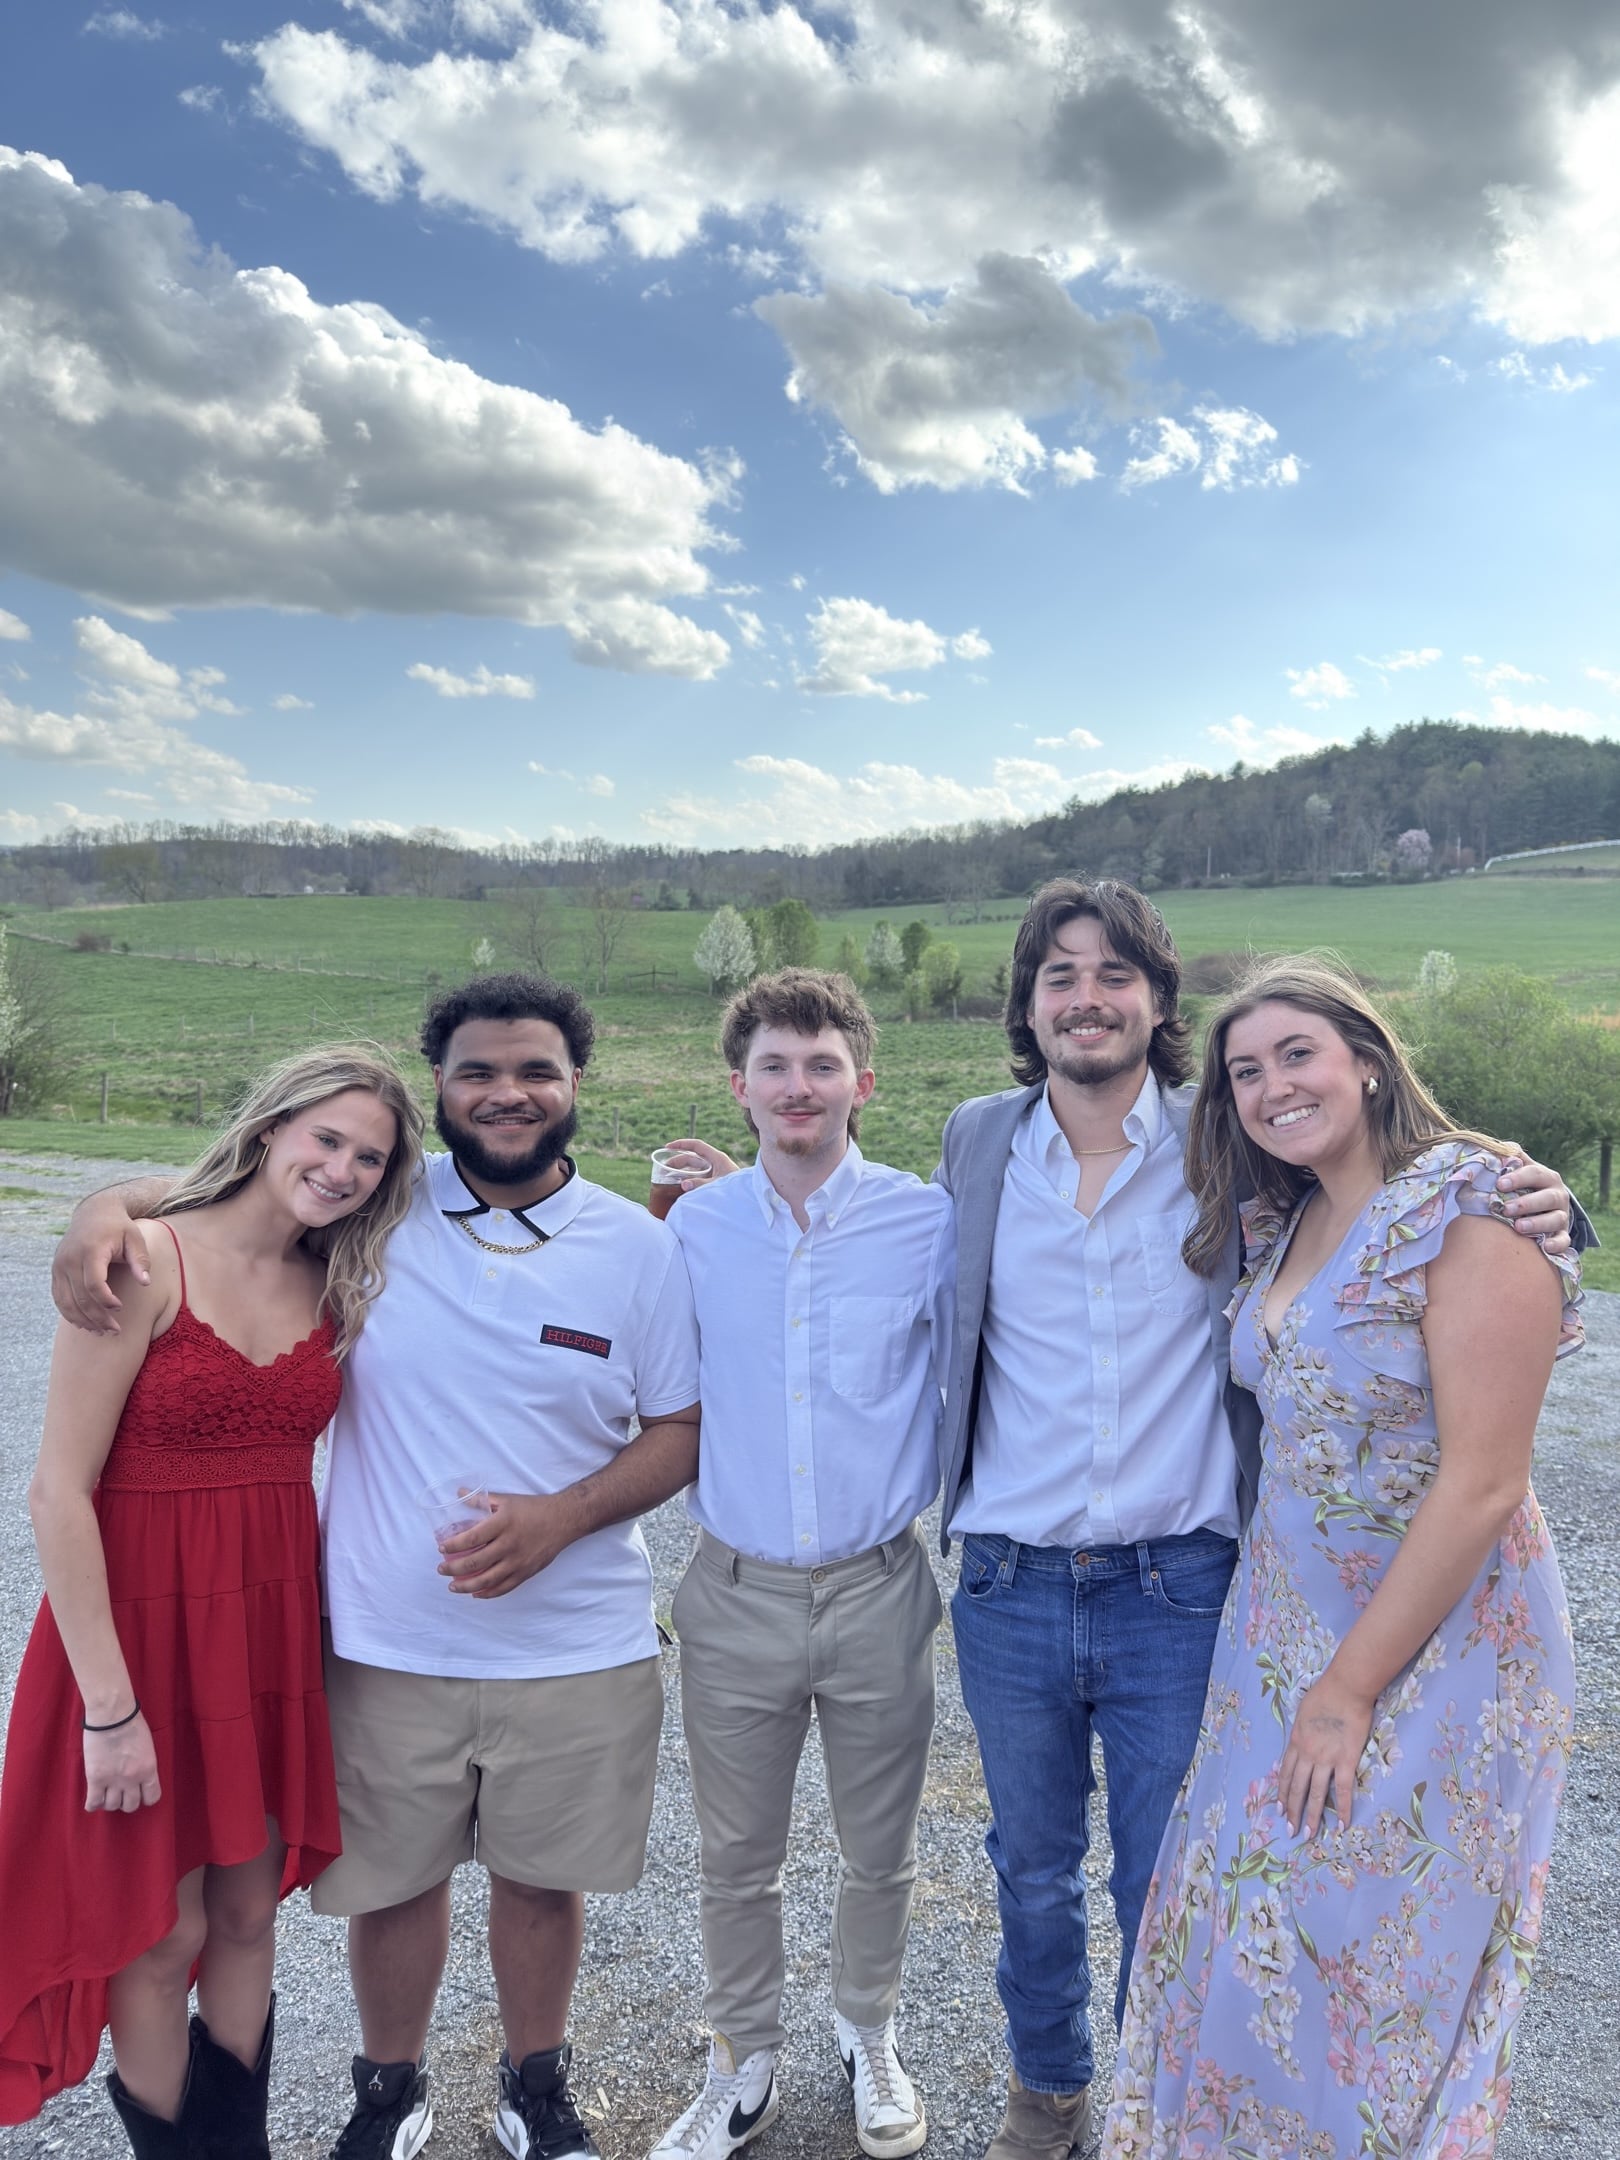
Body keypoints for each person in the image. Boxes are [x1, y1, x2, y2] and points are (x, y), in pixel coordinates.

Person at [932, 879, 1580, 2160]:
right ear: (1028, 1005)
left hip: (1188, 1587)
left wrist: (1557, 1207)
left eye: (1114, 973)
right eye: (1058, 975)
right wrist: (744, 1185)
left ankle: (1191, 2115)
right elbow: (891, 1247)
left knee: (1196, 1884)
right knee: (1032, 1869)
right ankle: (1055, 2093)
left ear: (1156, 1002)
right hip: (1013, 1579)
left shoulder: (1223, 1155)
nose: (1086, 997)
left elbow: (1451, 1264)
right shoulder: (979, 1143)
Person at [47, 973, 703, 2160]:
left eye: (535, 1071)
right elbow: (239, 1191)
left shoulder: (638, 1248)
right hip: (379, 1639)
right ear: (442, 1090)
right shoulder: (381, 1213)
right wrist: (104, 1204)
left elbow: (681, 1427)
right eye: (478, 1073)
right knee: (393, 1883)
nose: (508, 1094)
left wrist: (564, 1517)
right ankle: (386, 2092)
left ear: (575, 1087)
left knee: (541, 1880)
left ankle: (534, 2086)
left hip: (575, 1640)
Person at [1102, 956, 1580, 2157]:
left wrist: (1348, 1692)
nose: (1272, 1086)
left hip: (1444, 1643)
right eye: (1245, 1071)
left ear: (1367, 1061)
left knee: (1370, 1953)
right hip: (1280, 1631)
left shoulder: (1470, 1205)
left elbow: (1483, 1480)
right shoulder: (1284, 1220)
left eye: (1297, 1054)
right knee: (1245, 1933)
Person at [0, 1046, 423, 2160]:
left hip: (265, 1634)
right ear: (272, 1125)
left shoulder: (341, 1281)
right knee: (160, 1927)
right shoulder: (144, 1260)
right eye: (325, 1138)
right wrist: (107, 1711)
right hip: (132, 1642)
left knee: (243, 1915)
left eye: (368, 1157)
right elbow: (56, 1493)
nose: (340, 1168)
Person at [649, 969, 954, 2160]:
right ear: (740, 1088)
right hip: (735, 1591)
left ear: (861, 1084)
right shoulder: (693, 1229)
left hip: (881, 1581)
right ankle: (745, 2057)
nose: (799, 1086)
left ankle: (866, 2027)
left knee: (882, 1845)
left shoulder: (926, 1220)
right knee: (736, 1855)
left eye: (822, 1064)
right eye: (774, 1065)